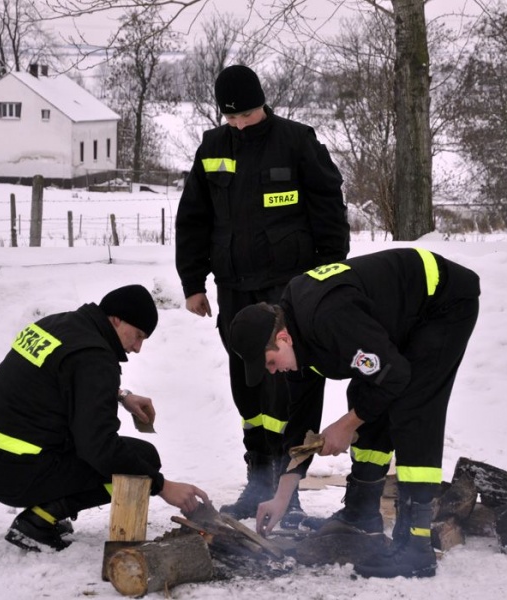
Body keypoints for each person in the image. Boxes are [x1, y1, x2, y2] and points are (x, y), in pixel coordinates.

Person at [228, 248, 480, 578]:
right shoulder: (297, 331)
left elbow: (394, 375)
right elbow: (301, 418)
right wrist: (281, 496)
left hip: (442, 302)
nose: (273, 372)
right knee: (366, 392)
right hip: (399, 319)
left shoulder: (328, 318)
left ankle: (415, 545)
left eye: (271, 363)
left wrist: (347, 425)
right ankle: (361, 513)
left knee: (412, 407)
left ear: (283, 337)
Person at [175, 64, 350, 529]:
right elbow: (193, 218)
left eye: (248, 115)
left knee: (289, 388)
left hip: (290, 287)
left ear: (262, 104)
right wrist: (193, 283)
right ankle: (259, 482)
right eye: (231, 118)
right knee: (248, 384)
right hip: (234, 290)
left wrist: (329, 276)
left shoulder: (296, 142)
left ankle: (286, 488)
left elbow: (330, 210)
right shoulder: (212, 148)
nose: (240, 125)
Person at [0, 284, 209, 552]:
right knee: (143, 459)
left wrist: (121, 395)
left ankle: (44, 511)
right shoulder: (95, 357)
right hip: (13, 470)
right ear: (116, 319)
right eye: (137, 336)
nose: (137, 348)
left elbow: (58, 379)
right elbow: (99, 448)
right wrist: (161, 485)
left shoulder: (59, 325)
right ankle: (37, 521)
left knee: (124, 456)